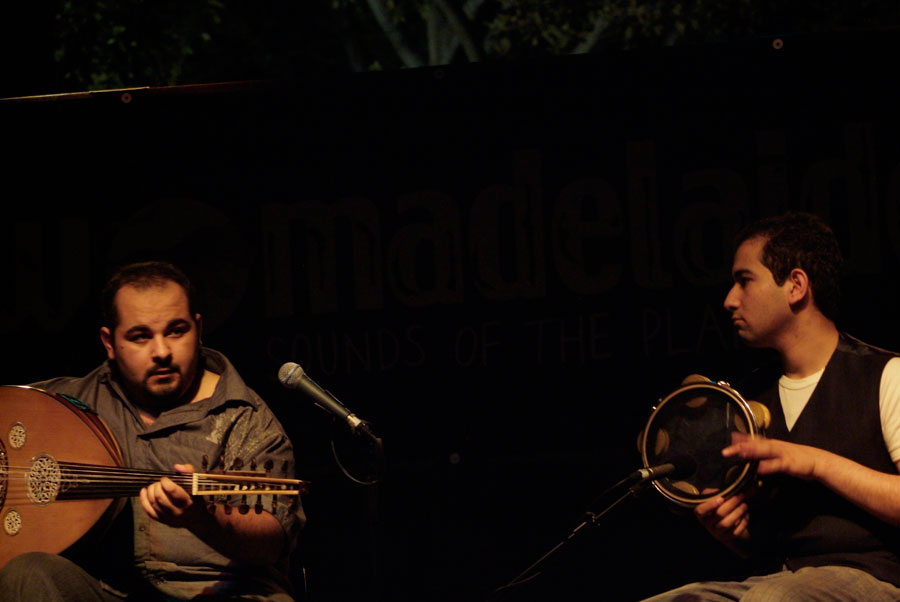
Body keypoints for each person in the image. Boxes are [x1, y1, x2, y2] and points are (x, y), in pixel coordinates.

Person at [0, 261, 306, 601]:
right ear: (109, 342)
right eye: (140, 336)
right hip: (108, 591)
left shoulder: (245, 418)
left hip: (220, 591)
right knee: (28, 573)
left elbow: (273, 539)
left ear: (198, 329)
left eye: (176, 331)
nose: (161, 352)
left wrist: (204, 521)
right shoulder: (70, 404)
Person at [640, 212, 900, 601]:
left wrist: (814, 462)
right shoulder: (748, 403)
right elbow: (771, 550)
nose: (729, 300)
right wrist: (736, 536)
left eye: (744, 281)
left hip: (877, 578)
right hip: (779, 579)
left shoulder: (885, 375)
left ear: (796, 286)